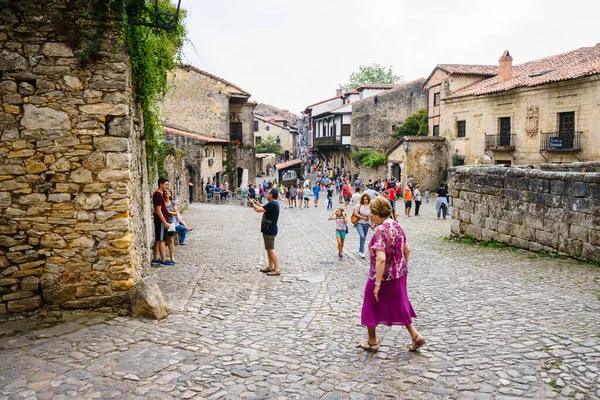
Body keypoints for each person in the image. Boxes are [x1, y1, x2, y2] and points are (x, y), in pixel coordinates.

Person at [359, 197, 424, 353]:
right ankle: (415, 336)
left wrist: (377, 283)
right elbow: (407, 249)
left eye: (372, 213)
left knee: (370, 304)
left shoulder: (381, 230)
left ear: (376, 213)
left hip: (381, 276)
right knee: (399, 304)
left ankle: (372, 342)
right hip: (399, 275)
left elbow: (381, 258)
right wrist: (402, 266)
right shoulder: (397, 225)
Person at [251, 189, 281, 276]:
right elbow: (263, 207)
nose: (267, 195)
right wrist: (256, 203)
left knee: (271, 250)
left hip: (270, 229)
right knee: (268, 249)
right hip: (269, 229)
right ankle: (270, 266)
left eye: (268, 194)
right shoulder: (274, 203)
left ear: (271, 195)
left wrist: (252, 204)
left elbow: (258, 210)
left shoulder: (272, 204)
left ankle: (277, 269)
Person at [151, 178, 174, 266]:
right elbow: (158, 210)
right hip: (160, 221)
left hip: (160, 221)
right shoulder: (158, 195)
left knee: (158, 239)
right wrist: (164, 222)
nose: (166, 186)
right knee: (162, 240)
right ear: (161, 184)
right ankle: (163, 260)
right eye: (166, 184)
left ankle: (155, 258)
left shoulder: (159, 195)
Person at [353, 194, 374, 258]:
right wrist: (363, 217)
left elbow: (372, 216)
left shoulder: (370, 206)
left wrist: (372, 224)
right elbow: (355, 213)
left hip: (367, 224)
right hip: (359, 223)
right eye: (364, 199)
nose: (365, 200)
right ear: (362, 199)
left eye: (366, 199)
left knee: (363, 237)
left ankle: (360, 249)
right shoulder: (359, 205)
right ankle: (362, 252)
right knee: (362, 236)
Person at [163, 189, 178, 263]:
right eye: (165, 192)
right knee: (162, 240)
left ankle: (172, 257)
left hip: (171, 223)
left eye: (168, 192)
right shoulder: (162, 202)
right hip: (163, 223)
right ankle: (164, 257)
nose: (166, 193)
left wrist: (170, 212)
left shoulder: (172, 203)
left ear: (170, 194)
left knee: (171, 240)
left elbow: (176, 213)